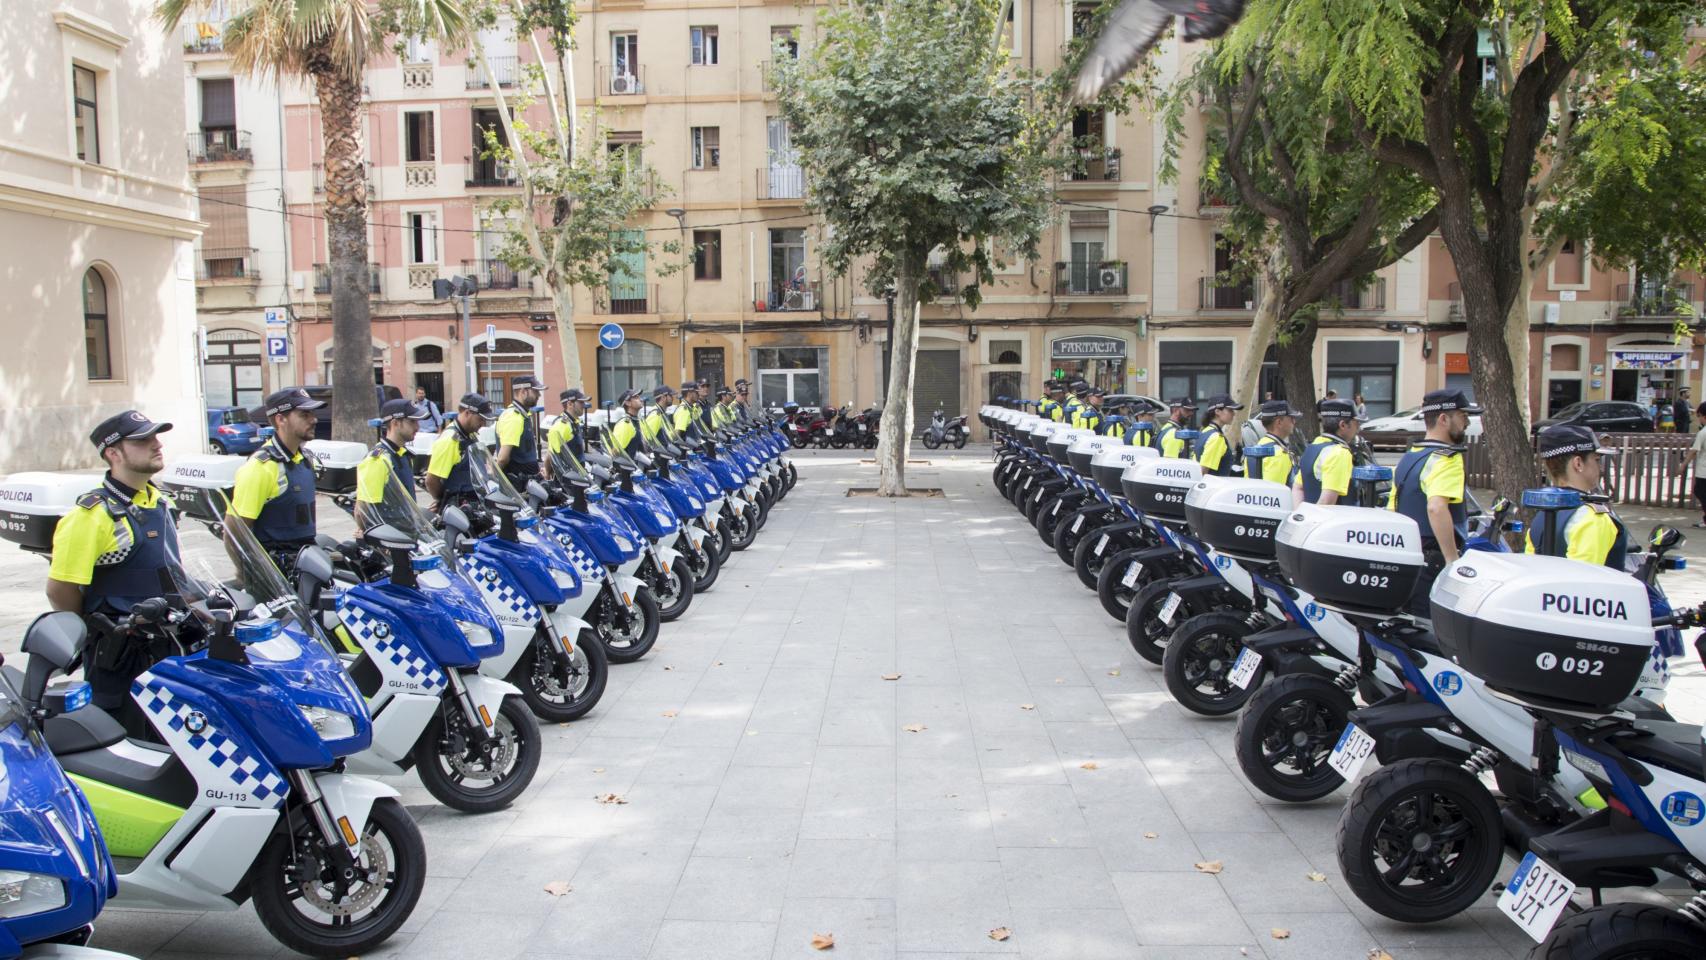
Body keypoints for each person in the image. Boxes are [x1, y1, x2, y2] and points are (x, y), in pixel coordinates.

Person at [46, 411, 178, 715]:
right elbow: (60, 589)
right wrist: (97, 629)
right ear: (113, 452)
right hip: (121, 657)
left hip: (166, 646)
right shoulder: (91, 516)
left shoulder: (158, 501)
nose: (156, 444)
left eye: (156, 437)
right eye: (143, 440)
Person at [1387, 388, 1479, 614]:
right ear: (1444, 419)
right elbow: (1437, 508)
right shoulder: (1448, 458)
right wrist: (1452, 561)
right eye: (1463, 415)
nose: (1467, 422)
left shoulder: (1410, 457)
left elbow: (1393, 508)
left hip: (1408, 556)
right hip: (1433, 558)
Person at [231, 387, 325, 568]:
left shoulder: (305, 460)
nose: (314, 419)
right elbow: (234, 532)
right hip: (277, 577)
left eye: (312, 413)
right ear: (280, 419)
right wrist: (251, 576)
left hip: (305, 567)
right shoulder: (260, 468)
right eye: (304, 414)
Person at [1523, 425, 1626, 566]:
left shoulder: (1541, 516)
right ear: (1578, 463)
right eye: (1596, 460)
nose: (1601, 467)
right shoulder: (1593, 518)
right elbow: (1583, 579)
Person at [354, 398, 430, 528]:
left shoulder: (403, 455)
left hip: (407, 534)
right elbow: (362, 511)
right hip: (391, 539)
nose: (417, 427)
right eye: (412, 421)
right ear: (395, 423)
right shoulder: (378, 460)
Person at [424, 393, 498, 512]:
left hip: (477, 506)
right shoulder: (449, 441)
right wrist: (444, 501)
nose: (483, 424)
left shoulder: (470, 435)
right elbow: (431, 480)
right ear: (467, 413)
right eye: (480, 419)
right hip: (461, 510)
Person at [1295, 398, 1366, 505]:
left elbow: (1298, 488)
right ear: (1343, 425)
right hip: (1332, 520)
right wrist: (1315, 521)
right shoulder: (1339, 452)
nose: (1358, 428)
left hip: (1307, 517)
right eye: (1356, 423)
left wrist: (1301, 516)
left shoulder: (1314, 446)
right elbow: (1327, 502)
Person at [1246, 399, 1300, 486]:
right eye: (1291, 418)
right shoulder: (1279, 454)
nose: (1294, 422)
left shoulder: (1256, 447)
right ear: (1279, 422)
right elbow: (1275, 494)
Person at [1194, 394, 1244, 476]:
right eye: (1230, 410)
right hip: (1214, 487)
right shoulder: (1216, 438)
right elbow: (1203, 472)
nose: (1234, 414)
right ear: (1217, 412)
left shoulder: (1205, 431)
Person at [548, 388, 589, 463]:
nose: (584, 405)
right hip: (570, 474)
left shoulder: (574, 422)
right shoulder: (561, 426)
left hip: (580, 472)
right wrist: (547, 473)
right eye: (581, 402)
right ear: (570, 404)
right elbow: (552, 456)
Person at [607, 389, 648, 457]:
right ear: (627, 403)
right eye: (636, 397)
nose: (640, 399)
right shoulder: (624, 424)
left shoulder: (638, 421)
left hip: (644, 464)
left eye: (639, 397)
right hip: (633, 466)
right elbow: (616, 453)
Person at [1691, 403, 1706, 528]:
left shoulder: (1703, 433)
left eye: (1699, 416)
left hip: (1703, 471)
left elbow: (1694, 451)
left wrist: (1683, 464)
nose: (1699, 419)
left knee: (1700, 491)